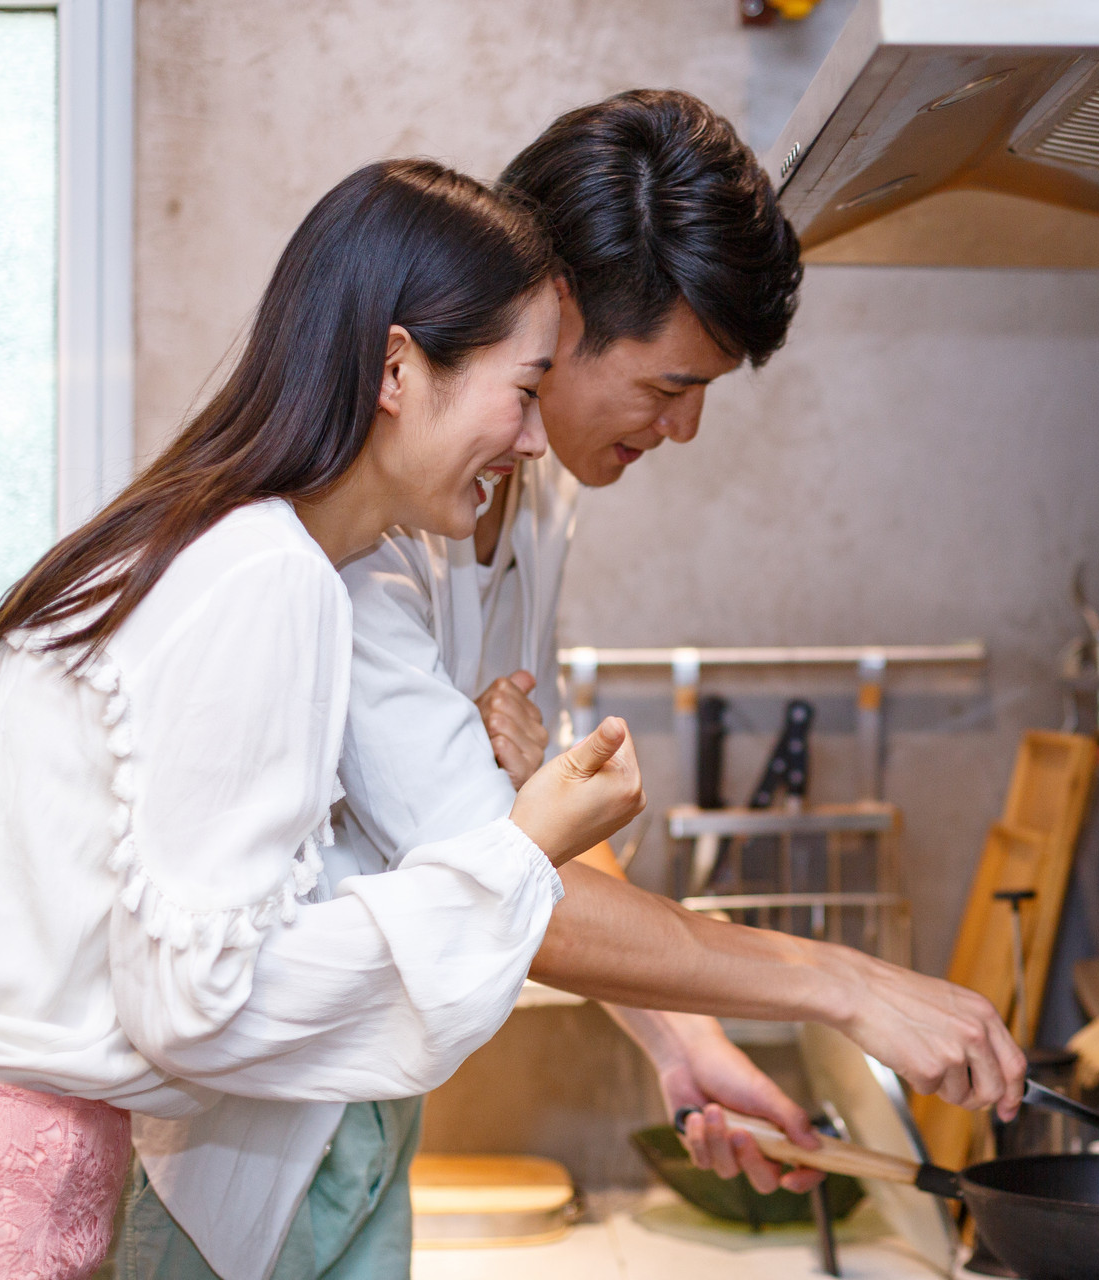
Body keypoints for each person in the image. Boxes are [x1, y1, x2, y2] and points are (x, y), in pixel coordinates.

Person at [114, 94, 1027, 1278]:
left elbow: (521, 831)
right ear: (559, 315)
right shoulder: (343, 548)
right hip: (230, 1156)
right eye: (668, 384)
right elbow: (501, 864)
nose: (688, 425)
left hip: (372, 1106)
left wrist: (684, 1040)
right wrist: (842, 984)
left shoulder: (532, 502)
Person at [0, 159, 644, 1279]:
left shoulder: (217, 540)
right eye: (523, 391)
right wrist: (521, 850)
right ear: (396, 367)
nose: (534, 440)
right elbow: (201, 1001)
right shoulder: (267, 572)